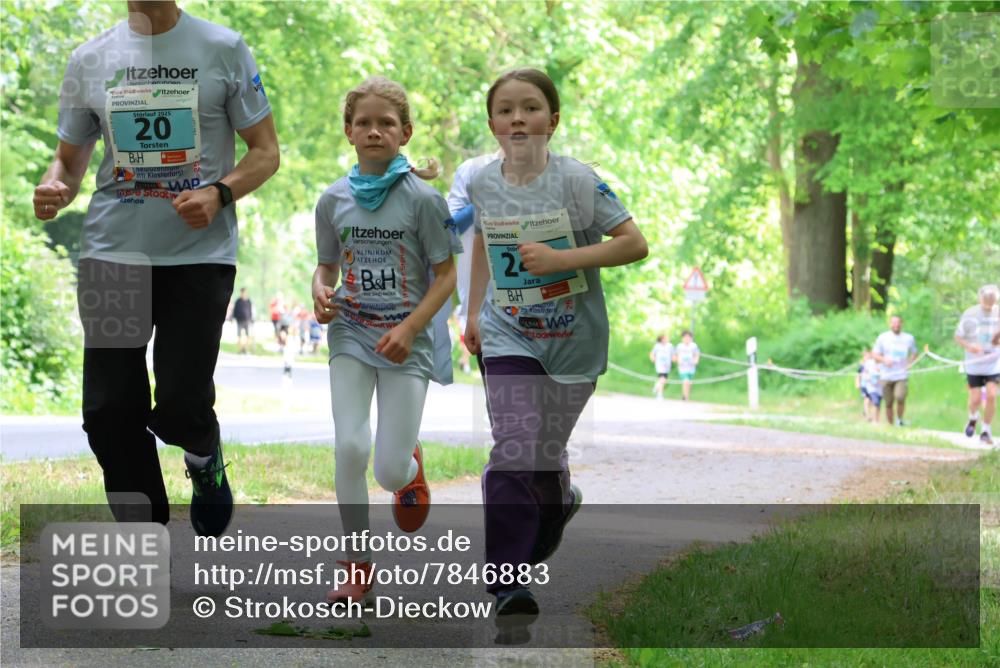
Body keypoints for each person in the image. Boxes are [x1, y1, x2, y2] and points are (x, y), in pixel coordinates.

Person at [33, 1, 279, 535]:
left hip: (198, 254)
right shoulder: (90, 58)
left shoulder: (223, 49)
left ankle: (203, 452)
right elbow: (69, 160)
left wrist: (219, 193)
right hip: (113, 252)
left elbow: (264, 152)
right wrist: (58, 186)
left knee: (181, 402)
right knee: (108, 408)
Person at [464, 68, 648, 629]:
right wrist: (473, 310)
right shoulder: (480, 182)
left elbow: (634, 245)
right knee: (515, 446)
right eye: (506, 110)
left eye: (531, 108)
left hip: (572, 340)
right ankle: (506, 583)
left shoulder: (579, 182)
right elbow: (482, 242)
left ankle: (558, 499)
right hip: (508, 332)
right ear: (493, 122)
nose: (518, 118)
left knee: (542, 460)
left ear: (553, 119)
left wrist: (562, 259)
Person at [312, 77, 456, 604]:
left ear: (406, 133)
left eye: (386, 123)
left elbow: (446, 276)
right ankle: (355, 564)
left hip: (405, 340)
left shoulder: (423, 199)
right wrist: (321, 293)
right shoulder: (332, 200)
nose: (375, 131)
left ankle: (410, 468)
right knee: (349, 447)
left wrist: (411, 327)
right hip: (350, 331)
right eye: (364, 123)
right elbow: (326, 266)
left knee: (388, 468)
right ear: (349, 132)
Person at [955, 284, 1000, 445]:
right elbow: (958, 337)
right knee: (975, 398)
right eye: (986, 302)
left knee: (992, 395)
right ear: (980, 299)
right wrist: (970, 347)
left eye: (992, 302)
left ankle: (986, 431)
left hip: (993, 364)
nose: (989, 305)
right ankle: (973, 418)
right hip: (974, 363)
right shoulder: (970, 314)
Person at [872, 315, 918, 426]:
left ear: (901, 324)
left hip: (901, 375)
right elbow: (874, 355)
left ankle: (899, 420)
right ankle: (890, 424)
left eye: (898, 322)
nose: (896, 325)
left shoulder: (908, 338)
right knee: (888, 402)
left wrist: (909, 363)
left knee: (900, 396)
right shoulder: (883, 338)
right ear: (890, 324)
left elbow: (915, 352)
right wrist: (884, 359)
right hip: (886, 375)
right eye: (894, 322)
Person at [856, 349, 882, 423]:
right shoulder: (862, 365)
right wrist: (858, 383)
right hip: (864, 385)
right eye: (865, 356)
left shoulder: (872, 364)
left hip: (872, 384)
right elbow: (858, 375)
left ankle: (869, 414)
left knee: (871, 400)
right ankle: (867, 413)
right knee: (867, 399)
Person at [673, 330, 700, 401]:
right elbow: (675, 355)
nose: (687, 339)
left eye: (688, 337)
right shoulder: (679, 346)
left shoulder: (694, 346)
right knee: (686, 381)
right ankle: (686, 397)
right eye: (685, 337)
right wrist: (677, 360)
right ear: (682, 338)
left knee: (689, 383)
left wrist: (696, 361)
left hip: (691, 367)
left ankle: (684, 395)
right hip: (682, 367)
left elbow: (696, 354)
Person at [649, 334, 673, 399]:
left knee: (664, 380)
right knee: (662, 379)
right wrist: (653, 358)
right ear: (661, 339)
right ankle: (660, 394)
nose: (667, 339)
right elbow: (652, 353)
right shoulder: (657, 346)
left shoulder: (670, 346)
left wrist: (674, 359)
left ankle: (656, 386)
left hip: (667, 365)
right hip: (660, 365)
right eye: (665, 338)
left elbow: (673, 354)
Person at [231, 287, 253, 354]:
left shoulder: (248, 301)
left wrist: (251, 319)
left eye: (245, 292)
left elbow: (250, 311)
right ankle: (240, 349)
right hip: (239, 320)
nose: (244, 294)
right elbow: (234, 310)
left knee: (247, 335)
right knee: (239, 335)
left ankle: (245, 349)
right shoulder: (238, 301)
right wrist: (232, 318)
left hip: (247, 320)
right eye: (242, 292)